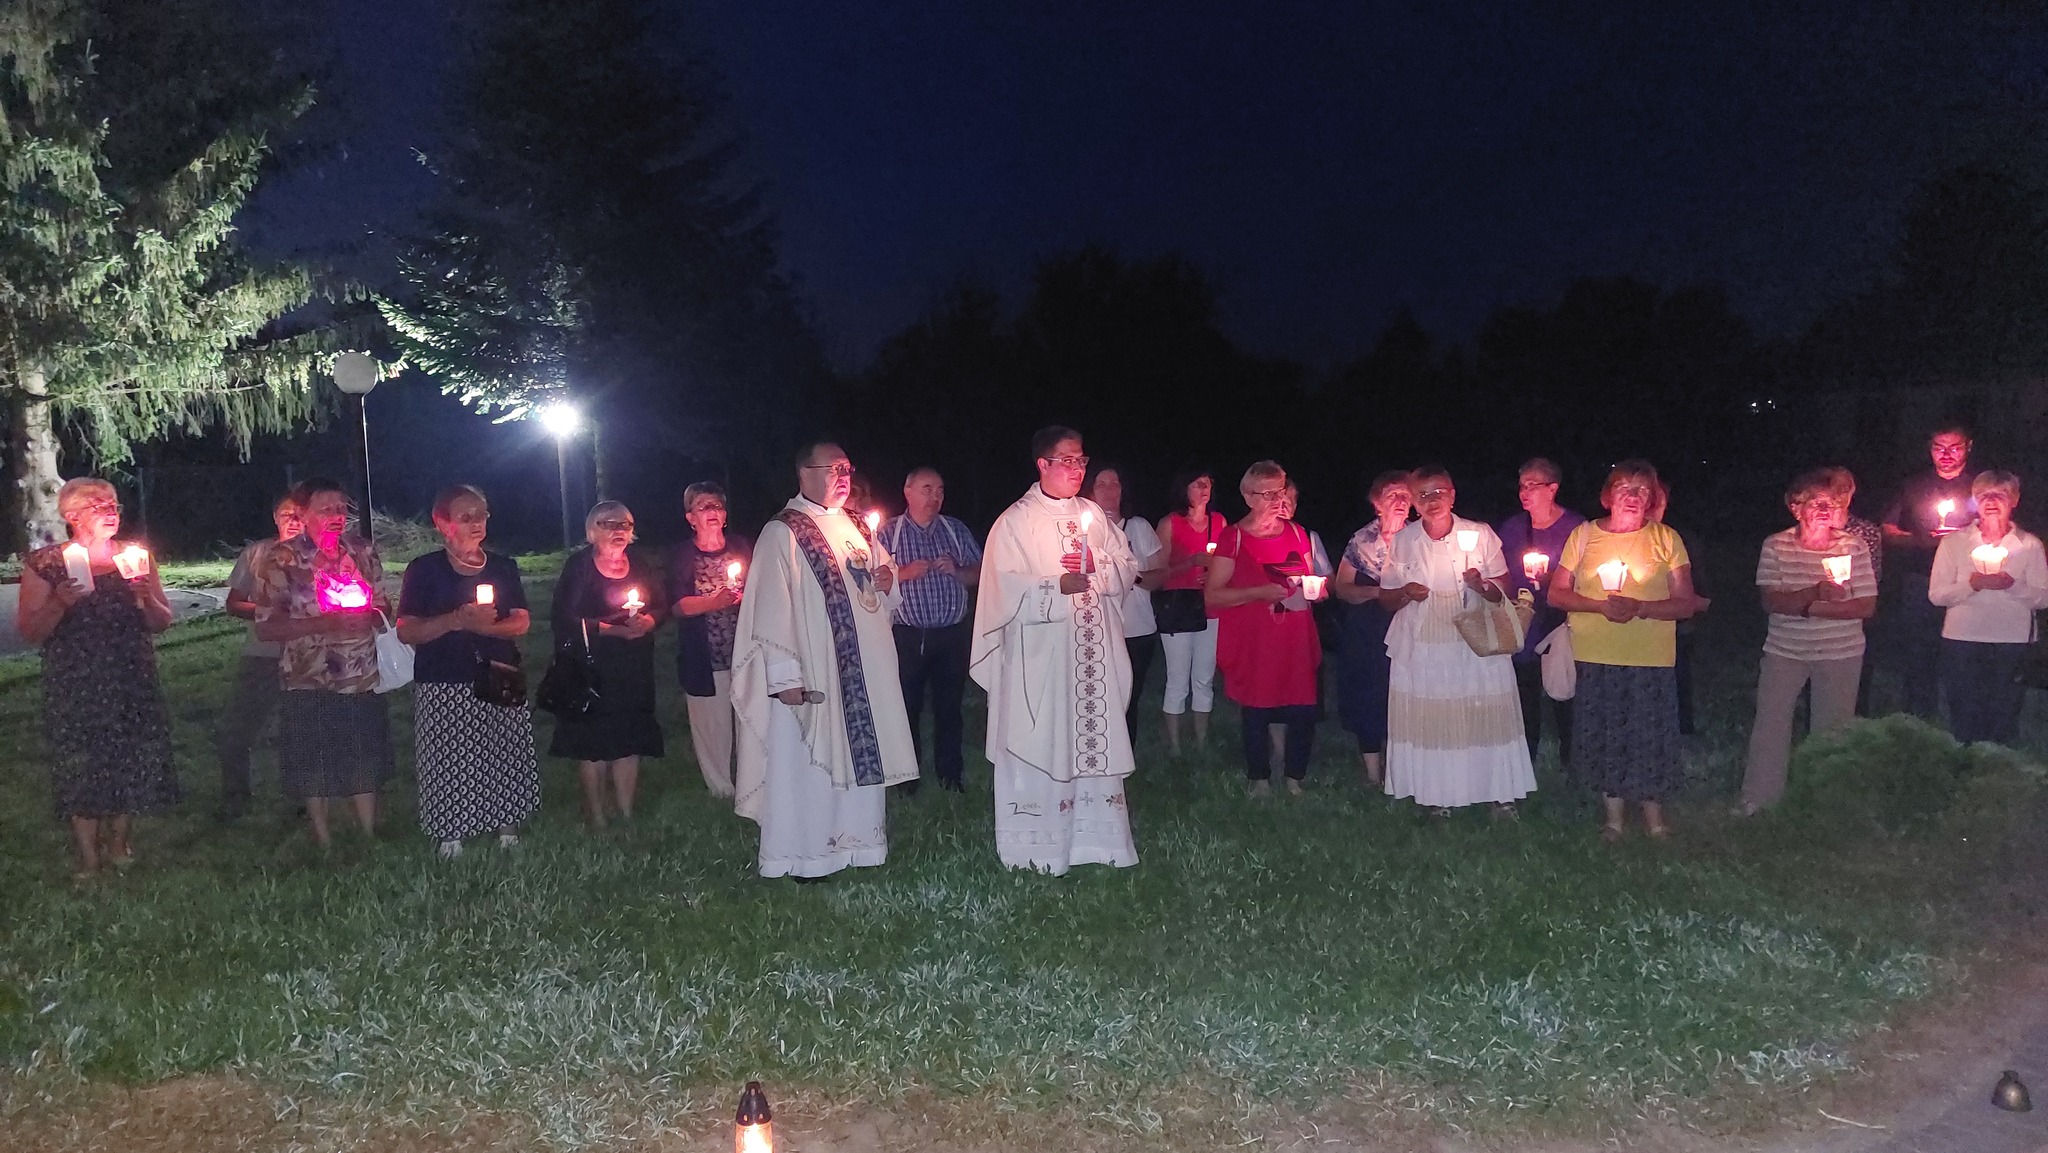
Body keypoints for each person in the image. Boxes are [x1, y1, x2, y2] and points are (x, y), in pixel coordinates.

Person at [732, 442, 919, 880]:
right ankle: (804, 856)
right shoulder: (783, 531)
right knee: (806, 763)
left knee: (858, 756)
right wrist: (784, 676)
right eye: (833, 469)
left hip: (862, 674)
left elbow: (882, 589)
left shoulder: (858, 525)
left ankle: (860, 847)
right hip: (811, 672)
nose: (843, 477)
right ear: (804, 473)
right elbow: (771, 608)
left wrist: (887, 581)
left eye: (847, 468)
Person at [971, 427, 1140, 870]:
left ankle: (1099, 844)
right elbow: (1000, 589)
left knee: (1092, 736)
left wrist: (1099, 565)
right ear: (1043, 464)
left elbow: (1127, 566)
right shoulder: (1015, 522)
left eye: (1081, 460)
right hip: (1042, 659)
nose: (1077, 469)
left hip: (1093, 657)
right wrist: (1054, 586)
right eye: (1067, 461)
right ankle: (1036, 847)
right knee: (1044, 736)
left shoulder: (1094, 514)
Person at [18, 478, 177, 876]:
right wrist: (59, 602)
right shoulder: (46, 565)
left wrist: (144, 595)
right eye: (98, 505)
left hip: (129, 670)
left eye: (113, 504)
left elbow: (161, 622)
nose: (110, 511)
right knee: (81, 760)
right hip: (76, 677)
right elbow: (31, 631)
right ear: (71, 516)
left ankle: (119, 841)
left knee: (129, 754)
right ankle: (88, 855)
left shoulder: (134, 558)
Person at [1549, 460, 1703, 841]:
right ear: (1608, 494)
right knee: (1605, 737)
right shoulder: (1584, 536)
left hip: (1649, 657)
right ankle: (1613, 819)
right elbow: (1557, 594)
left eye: (1642, 490)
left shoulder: (1666, 538)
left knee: (1649, 737)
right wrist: (1599, 606)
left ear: (1652, 498)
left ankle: (1655, 820)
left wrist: (1641, 608)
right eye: (1624, 488)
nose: (1633, 496)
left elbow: (1686, 603)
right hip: (1596, 655)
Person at [1377, 465, 1535, 817]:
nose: (1432, 500)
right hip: (1424, 642)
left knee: (1485, 714)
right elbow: (1387, 597)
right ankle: (1438, 794)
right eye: (1423, 495)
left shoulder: (1479, 533)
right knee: (1434, 718)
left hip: (1475, 639)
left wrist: (1482, 585)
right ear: (1413, 501)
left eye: (1439, 492)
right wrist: (1405, 593)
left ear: (1452, 494)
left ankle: (1499, 793)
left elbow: (1502, 587)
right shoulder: (1404, 541)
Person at [397, 485, 541, 857]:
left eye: (482, 514)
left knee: (504, 751)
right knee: (449, 756)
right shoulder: (425, 570)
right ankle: (452, 833)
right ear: (442, 523)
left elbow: (521, 621)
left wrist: (485, 628)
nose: (477, 522)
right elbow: (407, 630)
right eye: (466, 517)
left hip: (499, 670)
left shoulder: (503, 567)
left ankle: (507, 830)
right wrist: (456, 620)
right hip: (444, 676)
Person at [252, 477, 395, 848]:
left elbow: (383, 605)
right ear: (302, 514)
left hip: (359, 670)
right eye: (325, 509)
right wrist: (322, 624)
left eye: (341, 508)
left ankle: (367, 831)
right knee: (312, 752)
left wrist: (368, 615)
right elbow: (266, 627)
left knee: (362, 747)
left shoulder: (361, 551)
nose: (336, 516)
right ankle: (323, 837)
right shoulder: (282, 558)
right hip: (308, 672)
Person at [1738, 470, 1877, 813]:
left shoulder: (1853, 546)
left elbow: (1865, 606)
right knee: (1770, 724)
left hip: (1841, 652)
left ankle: (1827, 802)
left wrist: (1806, 608)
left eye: (1831, 503)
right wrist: (1815, 594)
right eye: (1815, 502)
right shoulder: (1776, 545)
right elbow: (1772, 601)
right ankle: (1759, 799)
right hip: (1785, 651)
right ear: (1795, 508)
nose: (1824, 510)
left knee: (1834, 728)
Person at [1207, 460, 1326, 796]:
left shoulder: (1297, 532)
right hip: (1256, 641)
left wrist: (1316, 589)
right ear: (1248, 496)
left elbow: (1308, 576)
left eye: (1280, 491)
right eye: (1267, 494)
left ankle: (1295, 777)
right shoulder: (1234, 537)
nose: (1277, 500)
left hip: (1294, 636)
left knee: (1302, 706)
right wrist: (1257, 593)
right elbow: (1213, 595)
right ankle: (1259, 778)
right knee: (1257, 707)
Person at [550, 500, 665, 829]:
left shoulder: (639, 564)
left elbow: (661, 604)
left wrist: (649, 621)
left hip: (633, 665)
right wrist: (611, 629)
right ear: (591, 531)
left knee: (629, 737)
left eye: (624, 524)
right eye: (609, 524)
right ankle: (597, 815)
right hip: (591, 667)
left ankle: (626, 813)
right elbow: (563, 617)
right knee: (593, 743)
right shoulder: (580, 566)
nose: (618, 530)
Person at [883, 467, 983, 794]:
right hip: (907, 636)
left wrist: (959, 571)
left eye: (940, 490)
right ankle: (906, 780)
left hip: (951, 634)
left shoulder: (955, 530)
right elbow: (868, 580)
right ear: (908, 491)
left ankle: (950, 777)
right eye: (927, 489)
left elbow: (981, 572)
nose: (935, 497)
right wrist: (903, 573)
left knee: (949, 708)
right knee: (905, 708)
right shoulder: (887, 534)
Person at [1930, 470, 2048, 745]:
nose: (1991, 501)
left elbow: (2043, 598)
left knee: (2004, 715)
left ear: (2014, 501)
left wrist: (2012, 585)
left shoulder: (2029, 544)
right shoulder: (1954, 542)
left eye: (2000, 495)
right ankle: (1965, 763)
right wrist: (1972, 585)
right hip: (1962, 640)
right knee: (1964, 713)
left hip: (2012, 642)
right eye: (1984, 495)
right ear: (1974, 500)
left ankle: (1997, 766)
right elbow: (1937, 595)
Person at [214, 491, 302, 821]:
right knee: (237, 728)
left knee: (298, 728)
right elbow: (234, 603)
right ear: (275, 518)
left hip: (307, 653)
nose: (293, 521)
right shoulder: (257, 554)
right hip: (263, 653)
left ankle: (303, 797)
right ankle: (235, 796)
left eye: (299, 514)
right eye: (286, 514)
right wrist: (267, 611)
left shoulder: (318, 555)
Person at [1882, 425, 1979, 719]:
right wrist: (1921, 540)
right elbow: (1887, 529)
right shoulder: (1913, 485)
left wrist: (1961, 540)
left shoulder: (1979, 486)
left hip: (1966, 583)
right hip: (1920, 581)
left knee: (1963, 654)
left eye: (1954, 447)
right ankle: (1918, 720)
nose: (1946, 454)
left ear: (1968, 447)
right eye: (1939, 447)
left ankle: (1963, 722)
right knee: (1918, 653)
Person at [1494, 458, 1585, 764]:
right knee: (1525, 692)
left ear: (1552, 489)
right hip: (1524, 620)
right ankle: (1525, 759)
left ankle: (1571, 759)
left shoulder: (1576, 528)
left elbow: (1587, 575)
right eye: (1522, 486)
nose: (1524, 492)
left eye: (1533, 485)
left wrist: (1553, 579)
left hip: (1560, 622)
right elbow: (1502, 572)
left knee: (1565, 689)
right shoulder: (1513, 528)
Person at [668, 482, 753, 800]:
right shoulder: (682, 556)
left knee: (749, 719)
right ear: (691, 518)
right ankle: (721, 788)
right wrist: (714, 602)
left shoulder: (741, 547)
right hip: (705, 656)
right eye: (704, 506)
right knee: (711, 725)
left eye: (717, 505)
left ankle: (751, 781)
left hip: (744, 651)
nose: (712, 511)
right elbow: (677, 606)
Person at [1333, 470, 1412, 787]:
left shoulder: (1419, 539)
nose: (1400, 500)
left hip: (1408, 626)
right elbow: (1342, 587)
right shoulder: (1362, 541)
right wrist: (1379, 593)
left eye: (1405, 495)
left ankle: (1399, 769)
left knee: (1403, 693)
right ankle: (1372, 773)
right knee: (1369, 693)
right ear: (1377, 503)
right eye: (1393, 495)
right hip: (1368, 629)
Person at [1087, 463, 1166, 741]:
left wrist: (1130, 574)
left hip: (1136, 630)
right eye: (1101, 484)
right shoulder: (1084, 531)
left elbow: (1160, 576)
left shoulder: (1138, 527)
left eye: (1115, 484)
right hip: (1096, 630)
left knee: (1128, 699)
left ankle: (1125, 757)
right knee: (1097, 698)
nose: (1109, 491)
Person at [1154, 469, 1224, 755]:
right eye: (1197, 484)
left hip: (1209, 606)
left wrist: (1213, 574)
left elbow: (1227, 563)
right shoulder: (1170, 523)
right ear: (1184, 488)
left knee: (1204, 677)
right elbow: (1158, 572)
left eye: (1208, 484)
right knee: (1178, 677)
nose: (1204, 489)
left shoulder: (1219, 522)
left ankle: (1202, 743)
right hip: (1178, 606)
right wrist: (1190, 563)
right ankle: (1174, 747)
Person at [1823, 466, 1885, 716]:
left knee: (1857, 681)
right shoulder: (1811, 530)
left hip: (1855, 617)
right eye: (1832, 489)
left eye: (1844, 489)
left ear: (1852, 491)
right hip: (1819, 616)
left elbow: (1872, 575)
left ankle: (1856, 724)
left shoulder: (1866, 531)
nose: (1838, 495)